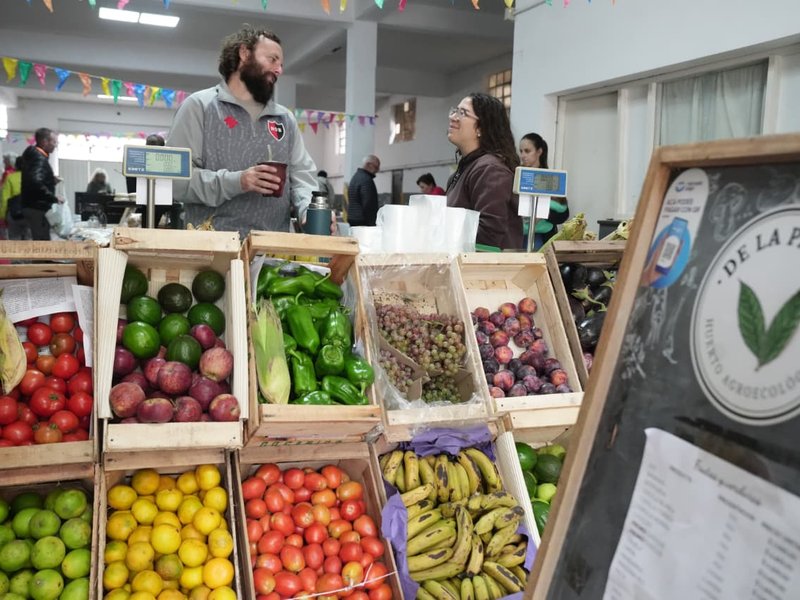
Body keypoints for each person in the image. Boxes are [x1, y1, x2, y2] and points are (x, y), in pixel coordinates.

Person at [167, 25, 317, 238]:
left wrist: (309, 210)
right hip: (212, 252)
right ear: (245, 54)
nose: (279, 70)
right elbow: (176, 182)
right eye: (272, 59)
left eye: (281, 64)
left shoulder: (285, 119)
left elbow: (303, 176)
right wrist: (237, 181)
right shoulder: (199, 107)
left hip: (272, 254)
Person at [446, 93, 522, 250]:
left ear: (481, 128)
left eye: (462, 113)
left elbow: (489, 233)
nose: (453, 117)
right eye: (455, 111)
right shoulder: (467, 168)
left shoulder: (490, 170)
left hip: (487, 270)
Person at [519, 132, 569, 248]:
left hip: (542, 237)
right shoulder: (516, 176)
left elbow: (563, 214)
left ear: (539, 152)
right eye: (521, 151)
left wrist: (542, 213)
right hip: (518, 236)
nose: (522, 155)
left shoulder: (551, 179)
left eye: (527, 151)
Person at [20, 127, 62, 240]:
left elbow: (34, 179)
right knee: (42, 246)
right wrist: (53, 197)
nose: (55, 145)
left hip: (31, 206)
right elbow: (35, 182)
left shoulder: (34, 156)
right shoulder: (39, 158)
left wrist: (51, 181)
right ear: (44, 142)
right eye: (54, 142)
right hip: (37, 208)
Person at [347, 155, 380, 227]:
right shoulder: (366, 180)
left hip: (352, 218)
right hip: (362, 221)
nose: (378, 170)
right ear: (369, 165)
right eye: (376, 167)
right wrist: (372, 223)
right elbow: (368, 203)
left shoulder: (356, 177)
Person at [1, 156, 23, 239]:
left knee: (14, 240)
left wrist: (3, 216)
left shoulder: (10, 177)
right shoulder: (33, 177)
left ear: (16, 166)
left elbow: (4, 198)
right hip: (30, 214)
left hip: (14, 213)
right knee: (29, 240)